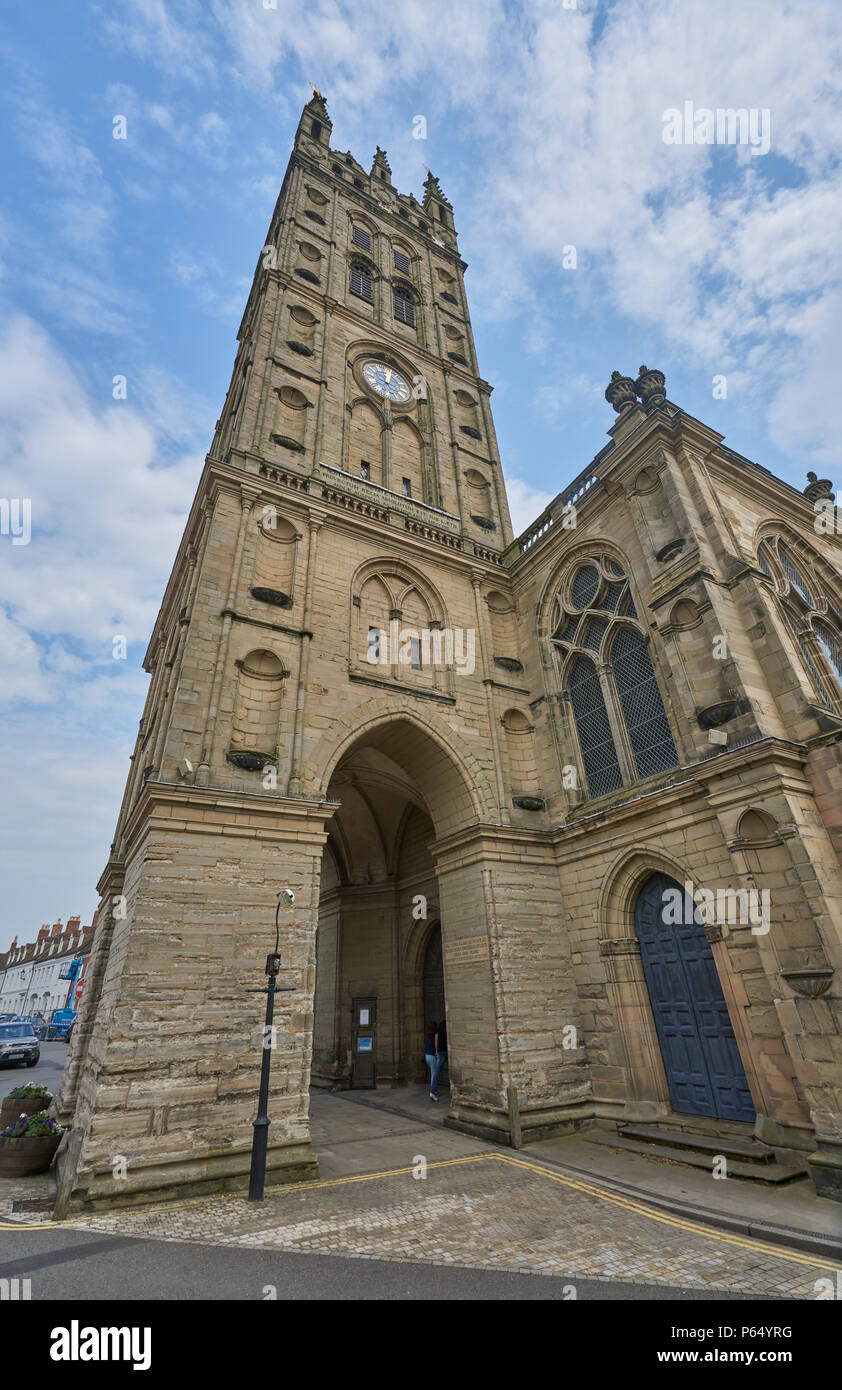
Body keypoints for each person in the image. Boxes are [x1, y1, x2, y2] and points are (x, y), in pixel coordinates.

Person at [424, 1021, 444, 1101]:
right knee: (434, 1074)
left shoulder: (427, 1036)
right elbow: (436, 1046)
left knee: (433, 1073)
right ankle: (432, 1092)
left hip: (427, 1056)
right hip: (432, 1056)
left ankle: (434, 1090)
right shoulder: (434, 1035)